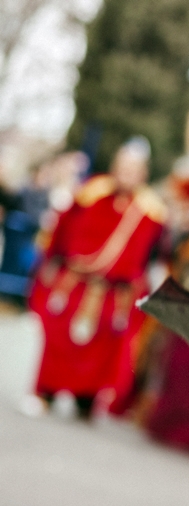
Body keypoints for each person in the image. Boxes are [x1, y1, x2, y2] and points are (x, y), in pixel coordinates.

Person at [27, 138, 166, 419]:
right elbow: (61, 233)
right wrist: (51, 267)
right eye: (123, 167)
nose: (127, 174)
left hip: (115, 294)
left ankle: (85, 400)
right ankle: (46, 392)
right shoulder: (91, 193)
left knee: (103, 350)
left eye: (133, 169)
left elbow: (153, 258)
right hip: (75, 283)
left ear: (143, 174)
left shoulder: (151, 212)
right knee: (59, 340)